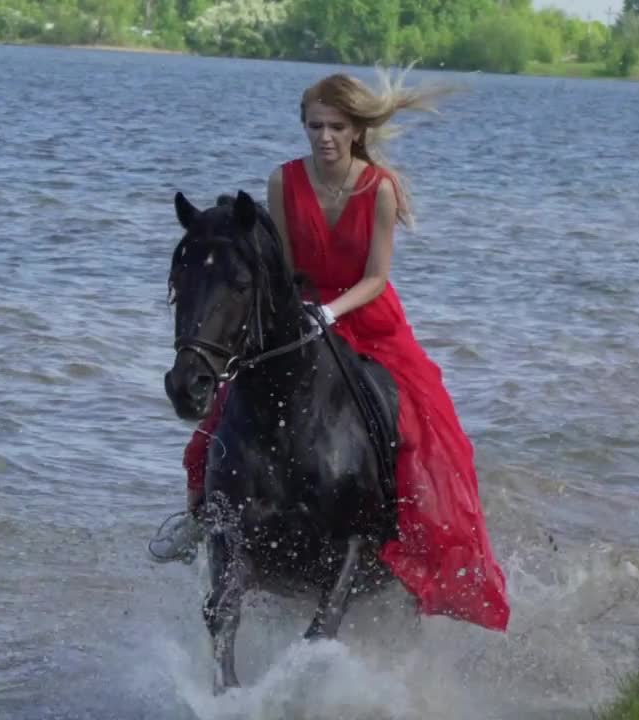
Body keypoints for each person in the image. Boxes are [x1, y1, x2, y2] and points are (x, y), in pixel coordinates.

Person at [151, 69, 510, 633]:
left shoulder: (380, 189)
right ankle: (200, 516)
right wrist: (295, 313)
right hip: (301, 313)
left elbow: (376, 276)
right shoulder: (282, 182)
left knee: (423, 423)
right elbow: (285, 268)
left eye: (336, 126)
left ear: (355, 129)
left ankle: (410, 530)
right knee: (221, 417)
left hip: (367, 319)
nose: (324, 136)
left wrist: (332, 313)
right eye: (314, 125)